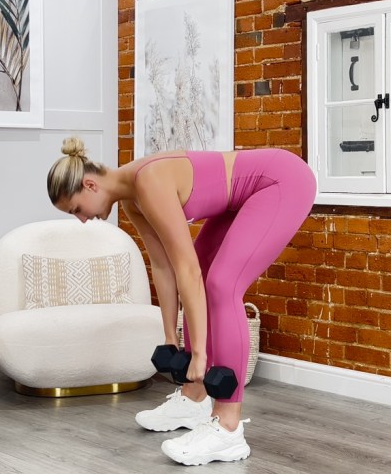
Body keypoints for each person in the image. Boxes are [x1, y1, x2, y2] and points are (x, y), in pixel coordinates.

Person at [46, 137, 316, 466]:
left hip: (282, 181)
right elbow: (163, 266)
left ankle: (228, 429)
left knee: (220, 284)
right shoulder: (132, 198)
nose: (82, 219)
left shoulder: (148, 181)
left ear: (90, 185)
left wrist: (200, 353)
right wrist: (171, 339)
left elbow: (184, 266)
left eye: (76, 210)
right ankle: (195, 395)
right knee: (203, 273)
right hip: (243, 197)